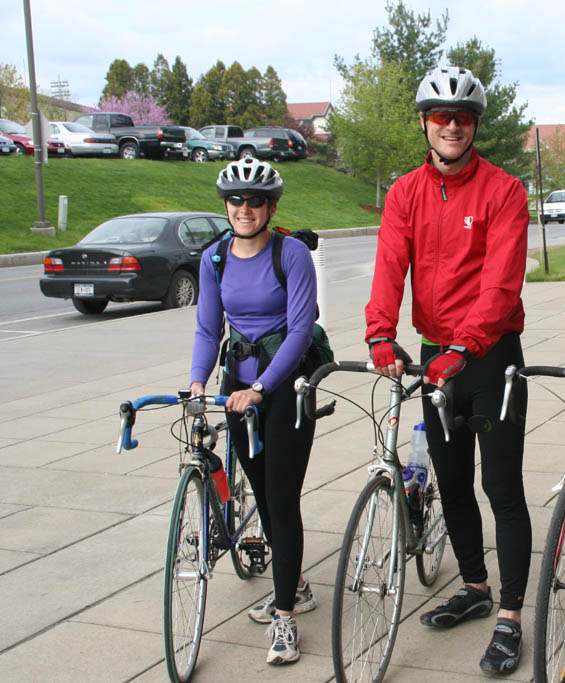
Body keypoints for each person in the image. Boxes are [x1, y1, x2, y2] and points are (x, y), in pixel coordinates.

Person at [364, 65, 531, 676]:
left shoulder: (504, 190)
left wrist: (465, 345)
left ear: (475, 124)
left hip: (489, 358)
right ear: (425, 124)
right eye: (440, 116)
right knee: (453, 482)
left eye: (462, 117)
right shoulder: (406, 191)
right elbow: (389, 264)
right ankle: (476, 587)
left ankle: (512, 618)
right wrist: (381, 330)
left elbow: (501, 281)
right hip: (439, 355)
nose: (452, 125)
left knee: (502, 488)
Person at [190, 158, 318, 666]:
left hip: (286, 389)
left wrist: (263, 387)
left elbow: (300, 330)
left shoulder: (292, 255)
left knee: (282, 499)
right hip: (236, 390)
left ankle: (285, 617)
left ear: (271, 206)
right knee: (263, 495)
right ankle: (298, 584)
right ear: (226, 205)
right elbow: (207, 328)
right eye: (236, 200)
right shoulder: (215, 257)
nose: (245, 209)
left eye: (256, 201)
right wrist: (199, 383)